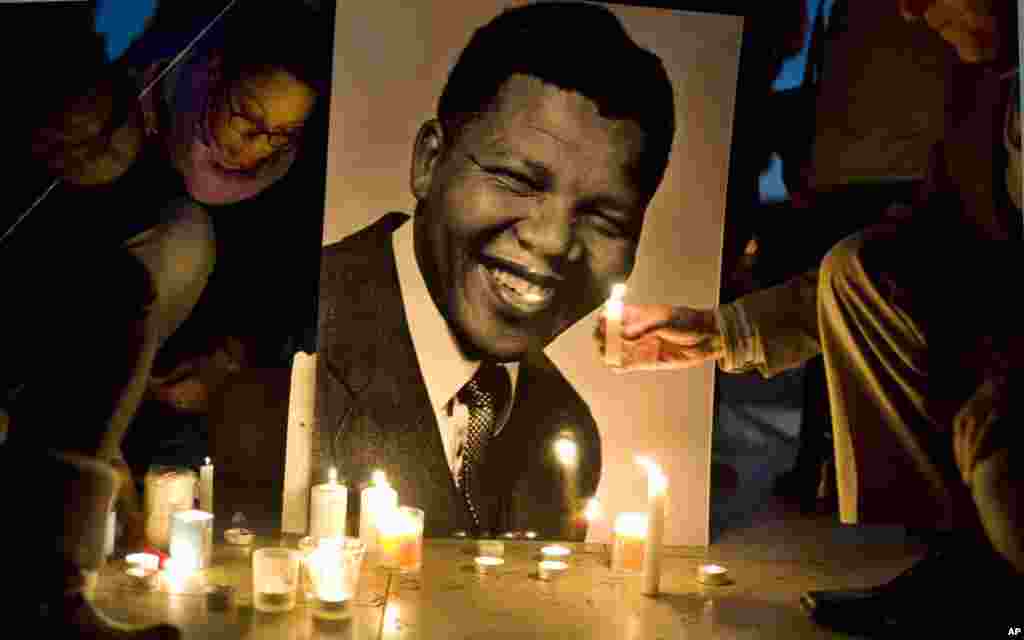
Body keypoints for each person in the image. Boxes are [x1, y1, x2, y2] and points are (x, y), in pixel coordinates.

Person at [596, 0, 1020, 634]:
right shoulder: (982, 94)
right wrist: (722, 331)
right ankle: (958, 564)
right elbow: (922, 253)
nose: (908, 11)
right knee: (859, 269)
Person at [2, 2, 329, 637]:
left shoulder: (283, 186)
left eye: (280, 136)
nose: (251, 147)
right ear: (211, 72)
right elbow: (73, 295)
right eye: (244, 116)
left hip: (163, 406)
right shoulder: (121, 124)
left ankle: (56, 584)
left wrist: (230, 354)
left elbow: (287, 291)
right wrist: (92, 432)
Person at [306, 2, 674, 540]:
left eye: (604, 216)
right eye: (517, 181)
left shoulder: (566, 429)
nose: (551, 241)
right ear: (430, 162)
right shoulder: (278, 335)